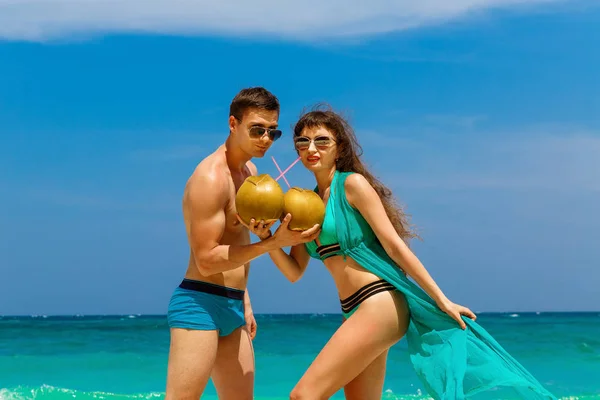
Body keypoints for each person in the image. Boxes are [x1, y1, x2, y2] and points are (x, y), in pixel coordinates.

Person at [246, 106, 557, 400]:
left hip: (379, 303)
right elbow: (293, 272)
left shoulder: (352, 185)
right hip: (352, 311)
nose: (312, 148)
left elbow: (394, 246)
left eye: (321, 140)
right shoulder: (304, 205)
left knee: (303, 395)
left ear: (339, 148)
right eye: (303, 141)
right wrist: (269, 240)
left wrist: (441, 299)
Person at [164, 87, 320, 400]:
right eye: (257, 129)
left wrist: (245, 299)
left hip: (233, 305)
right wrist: (273, 243)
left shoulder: (250, 173)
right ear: (233, 124)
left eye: (272, 132)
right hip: (200, 303)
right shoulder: (210, 178)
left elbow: (237, 239)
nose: (265, 139)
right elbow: (207, 259)